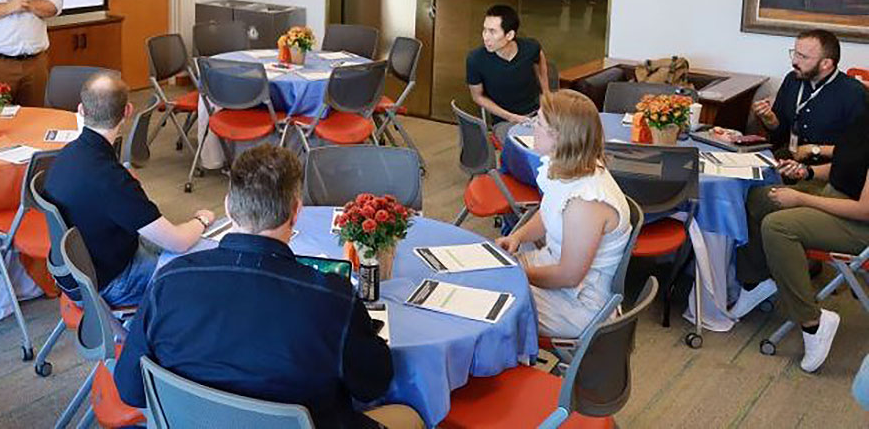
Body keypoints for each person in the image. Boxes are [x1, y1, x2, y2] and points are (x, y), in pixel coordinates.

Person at [114, 144, 424, 429]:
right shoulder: (332, 300)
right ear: (295, 211)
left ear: (228, 205)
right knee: (410, 416)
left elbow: (130, 387)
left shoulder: (171, 281)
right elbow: (373, 386)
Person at [43, 72, 214, 307]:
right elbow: (178, 242)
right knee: (206, 270)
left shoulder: (66, 154)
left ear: (81, 110)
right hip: (111, 282)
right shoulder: (112, 180)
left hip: (75, 273)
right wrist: (203, 219)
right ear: (127, 111)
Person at [732, 114, 869, 372]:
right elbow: (849, 162)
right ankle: (756, 282)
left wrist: (801, 199)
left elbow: (865, 210)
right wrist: (806, 172)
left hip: (860, 226)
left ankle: (813, 322)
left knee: (778, 227)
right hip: (839, 199)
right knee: (758, 197)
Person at [494, 90, 632, 338]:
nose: (532, 126)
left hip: (577, 304)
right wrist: (519, 237)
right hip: (553, 270)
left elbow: (569, 276)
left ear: (559, 138)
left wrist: (518, 274)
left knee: (491, 306)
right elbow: (549, 212)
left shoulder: (586, 202)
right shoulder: (565, 166)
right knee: (483, 275)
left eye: (539, 123)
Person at [750, 29, 865, 163]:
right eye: (795, 54)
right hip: (787, 160)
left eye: (803, 57)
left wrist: (814, 149)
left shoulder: (853, 93)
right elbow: (780, 133)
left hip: (828, 170)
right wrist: (769, 119)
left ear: (826, 64)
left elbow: (859, 149)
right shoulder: (792, 80)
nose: (794, 62)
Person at [466, 4, 550, 143]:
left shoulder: (530, 48)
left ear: (510, 35)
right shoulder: (476, 59)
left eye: (492, 32)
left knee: (565, 142)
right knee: (524, 150)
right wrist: (511, 117)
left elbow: (539, 56)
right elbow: (477, 96)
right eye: (484, 30)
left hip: (537, 114)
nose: (486, 37)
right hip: (505, 121)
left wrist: (546, 94)